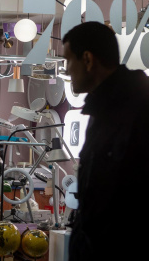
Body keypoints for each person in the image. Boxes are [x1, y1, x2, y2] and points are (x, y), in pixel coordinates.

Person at [63, 22, 149, 260]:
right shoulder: (101, 110)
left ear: (88, 59)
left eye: (69, 61)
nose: (67, 71)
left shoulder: (137, 110)